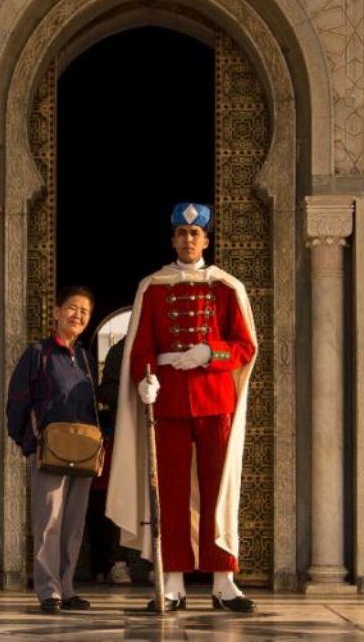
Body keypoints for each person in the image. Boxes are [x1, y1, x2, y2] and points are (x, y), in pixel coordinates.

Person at [106, 202, 258, 613]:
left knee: (218, 490)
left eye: (196, 235)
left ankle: (224, 582)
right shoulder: (153, 287)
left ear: (206, 240)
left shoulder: (226, 287)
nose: (188, 240)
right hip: (169, 402)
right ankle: (172, 583)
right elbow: (142, 347)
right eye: (181, 234)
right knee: (169, 494)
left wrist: (210, 352)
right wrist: (145, 378)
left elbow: (245, 347)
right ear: (172, 239)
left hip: (214, 401)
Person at [5, 287, 99, 615]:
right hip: (49, 451)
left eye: (84, 312)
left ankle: (67, 587)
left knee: (73, 524)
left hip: (83, 452)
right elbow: (17, 400)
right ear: (57, 312)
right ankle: (49, 591)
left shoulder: (87, 360)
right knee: (48, 523)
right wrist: (29, 444)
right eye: (72, 309)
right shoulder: (38, 354)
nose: (77, 316)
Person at [86, 337, 133, 585]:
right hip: (126, 431)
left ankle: (162, 562)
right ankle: (119, 561)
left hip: (164, 429)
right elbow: (106, 391)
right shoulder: (120, 350)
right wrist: (133, 390)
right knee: (122, 498)